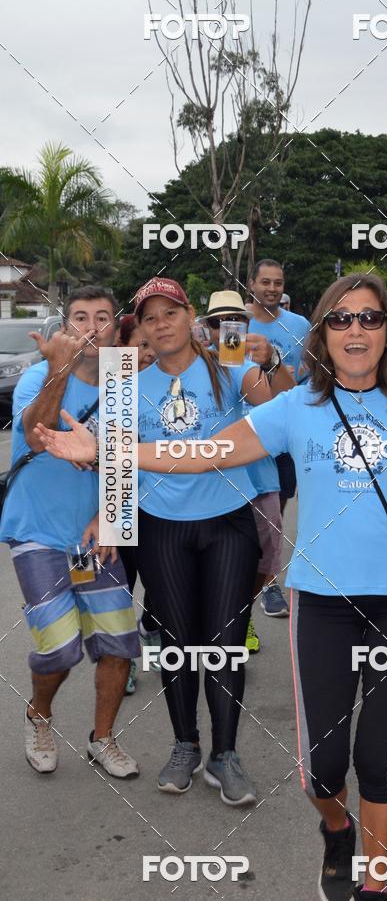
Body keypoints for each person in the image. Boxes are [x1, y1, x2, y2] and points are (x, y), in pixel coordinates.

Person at [38, 272, 387, 901]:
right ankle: (337, 830)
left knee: (378, 761)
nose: (355, 330)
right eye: (340, 319)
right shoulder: (294, 408)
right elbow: (206, 452)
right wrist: (113, 450)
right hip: (323, 607)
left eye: (369, 318)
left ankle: (374, 884)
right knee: (322, 773)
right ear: (322, 334)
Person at [0, 285, 140, 778]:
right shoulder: (38, 376)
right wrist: (58, 369)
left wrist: (110, 516)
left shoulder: (124, 383)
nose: (91, 327)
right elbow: (37, 437)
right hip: (38, 532)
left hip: (89, 538)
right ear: (66, 328)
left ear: (117, 329)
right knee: (59, 647)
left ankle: (102, 739)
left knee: (118, 641)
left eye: (103, 318)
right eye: (80, 318)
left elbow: (126, 460)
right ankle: (39, 714)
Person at [131, 276, 261, 801]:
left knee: (225, 645)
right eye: (150, 317)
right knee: (176, 644)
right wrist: (107, 523)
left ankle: (224, 755)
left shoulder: (227, 365)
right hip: (161, 525)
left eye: (170, 313)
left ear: (191, 318)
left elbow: (274, 404)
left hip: (229, 520)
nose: (162, 323)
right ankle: (185, 744)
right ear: (141, 328)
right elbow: (118, 462)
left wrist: (264, 364)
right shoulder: (129, 387)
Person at [202, 290, 286, 656]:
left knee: (267, 558)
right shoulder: (193, 363)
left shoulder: (251, 365)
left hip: (258, 477)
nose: (226, 329)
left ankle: (241, 612)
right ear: (206, 327)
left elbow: (267, 404)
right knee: (212, 559)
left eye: (234, 321)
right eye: (218, 323)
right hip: (209, 477)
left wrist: (261, 363)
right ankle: (219, 619)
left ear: (246, 324)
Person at [247, 258, 311, 616]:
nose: (272, 288)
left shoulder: (299, 325)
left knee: (277, 507)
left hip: (286, 431)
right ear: (252, 284)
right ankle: (246, 581)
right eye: (265, 282)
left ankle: (269, 582)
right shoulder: (235, 323)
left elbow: (309, 375)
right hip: (244, 429)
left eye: (278, 283)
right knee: (242, 513)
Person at [116, 314, 160, 694]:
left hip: (164, 503)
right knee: (121, 583)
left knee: (162, 582)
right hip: (121, 499)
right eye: (140, 345)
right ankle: (125, 657)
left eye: (151, 345)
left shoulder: (170, 384)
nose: (148, 353)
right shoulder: (112, 388)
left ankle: (151, 628)